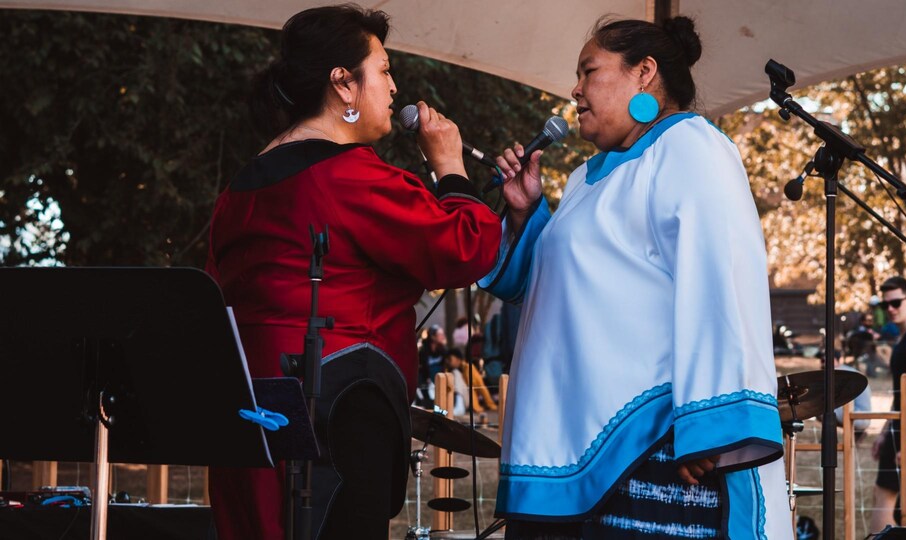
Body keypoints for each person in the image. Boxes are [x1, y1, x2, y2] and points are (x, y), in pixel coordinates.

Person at [481, 15, 789, 538]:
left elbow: (721, 285)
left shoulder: (691, 146)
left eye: (589, 71)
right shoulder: (584, 177)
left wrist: (709, 427)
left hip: (649, 446)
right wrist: (524, 216)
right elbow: (557, 293)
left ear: (644, 72)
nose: (574, 90)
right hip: (565, 446)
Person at [204, 6, 501, 540]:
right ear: (343, 84)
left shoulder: (239, 190)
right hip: (331, 416)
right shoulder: (350, 177)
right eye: (384, 70)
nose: (393, 86)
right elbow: (466, 247)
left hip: (247, 419)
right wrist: (450, 167)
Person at [870, 276, 906, 533]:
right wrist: (884, 432)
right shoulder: (904, 338)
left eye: (896, 302)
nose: (891, 309)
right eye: (886, 305)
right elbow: (899, 397)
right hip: (897, 430)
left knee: (885, 502)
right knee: (895, 506)